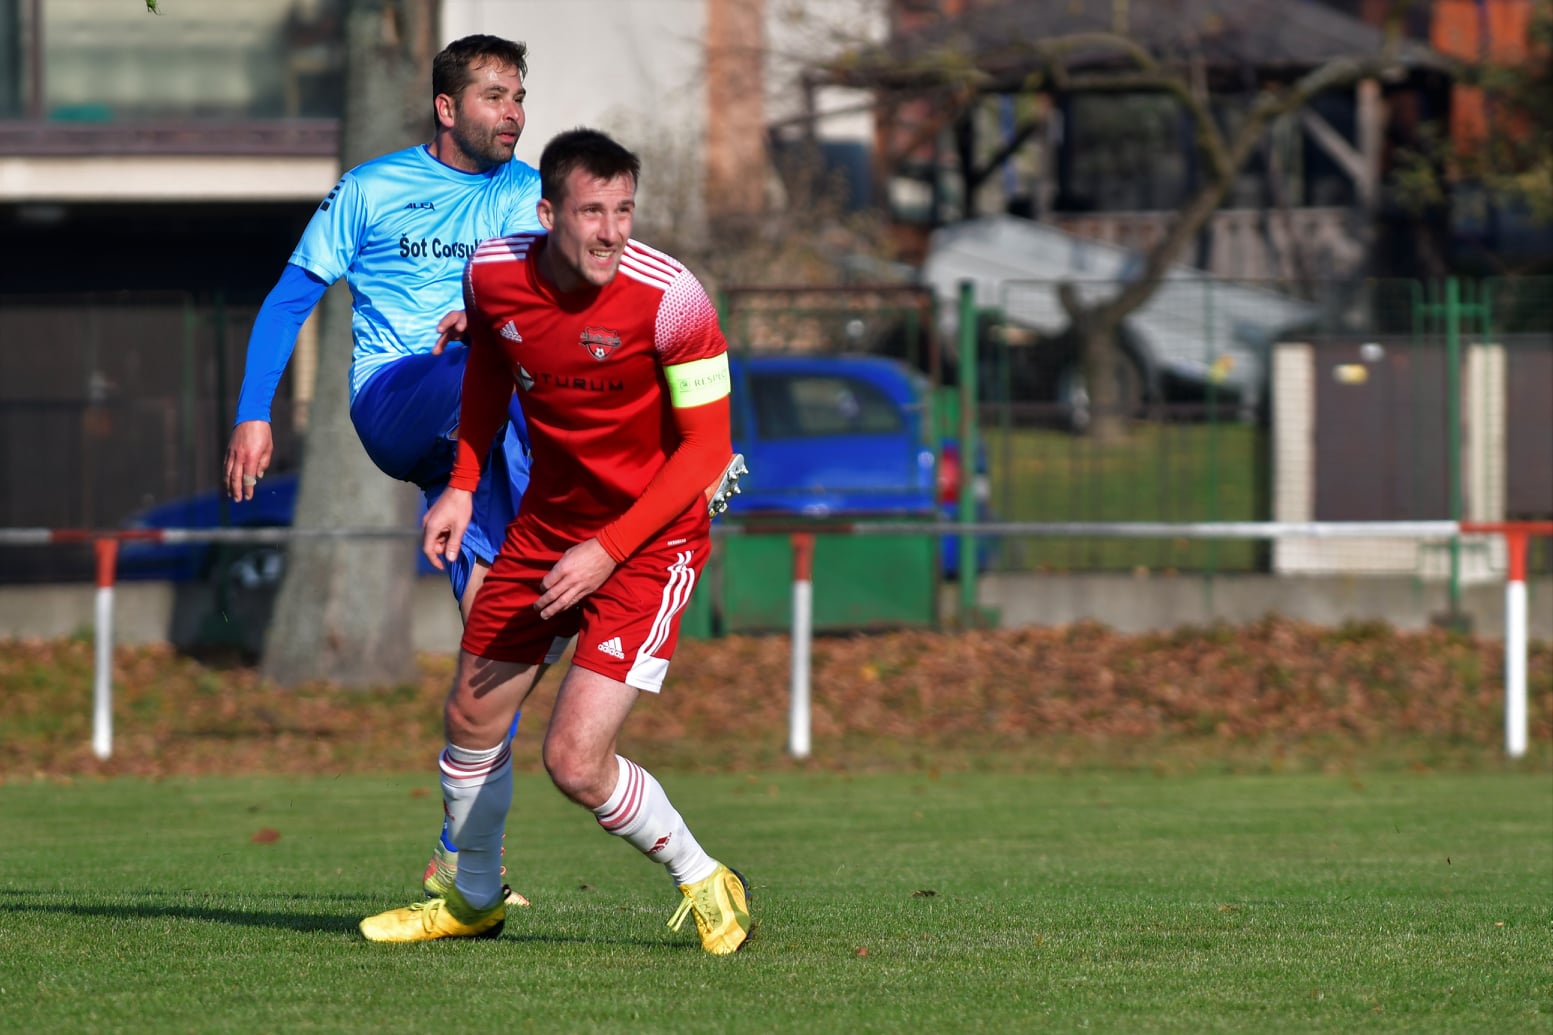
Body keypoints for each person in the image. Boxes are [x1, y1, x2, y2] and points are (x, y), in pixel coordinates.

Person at [358, 128, 752, 954]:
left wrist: (607, 550)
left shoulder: (674, 298)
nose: (611, 231)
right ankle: (473, 898)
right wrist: (462, 485)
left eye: (624, 211)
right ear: (547, 214)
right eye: (591, 212)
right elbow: (487, 372)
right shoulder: (493, 273)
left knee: (574, 761)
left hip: (651, 542)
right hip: (547, 529)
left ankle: (705, 877)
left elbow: (707, 452)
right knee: (471, 714)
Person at [223, 34, 542, 908]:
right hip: (398, 399)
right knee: (490, 365)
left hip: (474, 441)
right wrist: (254, 410)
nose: (513, 112)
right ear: (446, 107)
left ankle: (463, 858)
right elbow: (290, 298)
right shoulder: (370, 189)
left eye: (519, 96)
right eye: (494, 96)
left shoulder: (529, 193)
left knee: (501, 638)